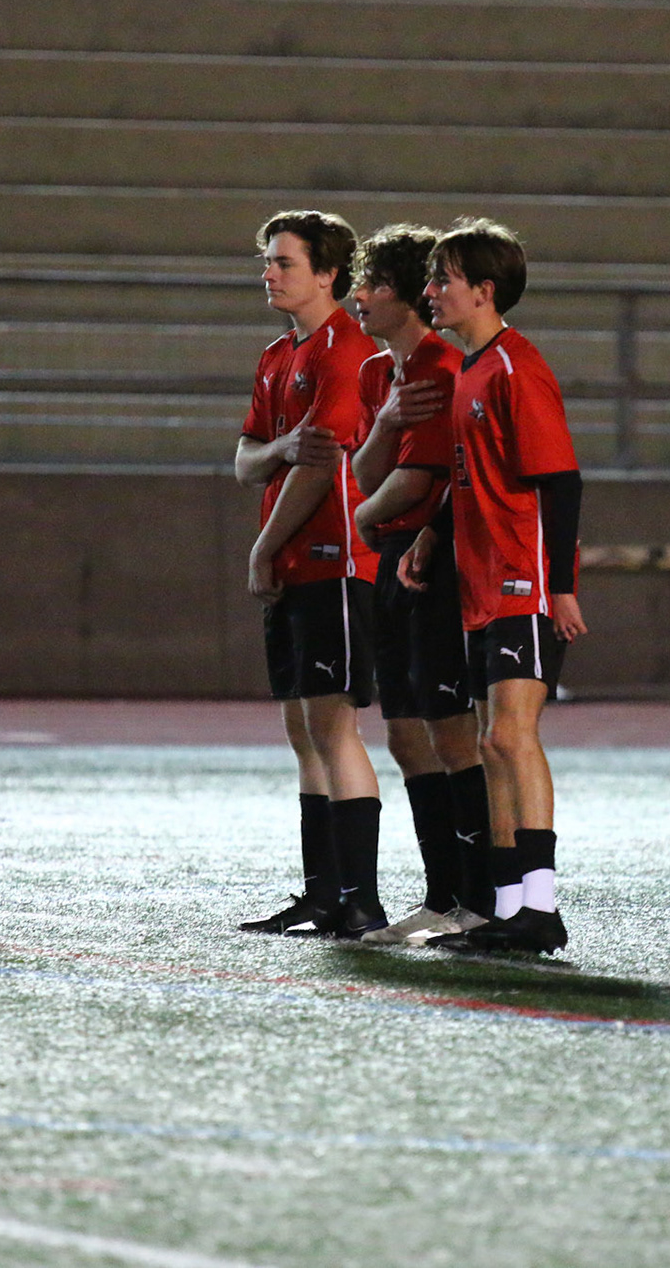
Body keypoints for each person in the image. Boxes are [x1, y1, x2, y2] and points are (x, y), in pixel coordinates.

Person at [401, 218, 588, 955]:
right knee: (490, 740)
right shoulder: (470, 370)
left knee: (511, 735)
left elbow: (561, 481)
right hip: (482, 584)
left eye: (443, 278)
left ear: (483, 291)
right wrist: (432, 534)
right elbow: (467, 476)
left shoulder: (516, 367)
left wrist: (559, 586)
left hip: (521, 581)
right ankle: (510, 909)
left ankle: (540, 908)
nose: (431, 291)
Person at [233, 210, 388, 939]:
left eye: (284, 262)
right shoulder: (276, 356)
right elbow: (247, 461)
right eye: (268, 261)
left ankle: (361, 900)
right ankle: (323, 895)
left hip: (337, 559)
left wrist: (263, 546)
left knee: (333, 727)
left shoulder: (346, 350)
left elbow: (318, 463)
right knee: (303, 729)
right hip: (296, 564)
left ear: (329, 274)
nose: (268, 273)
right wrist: (280, 448)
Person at [344, 223, 495, 946]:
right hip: (391, 560)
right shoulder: (380, 373)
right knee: (406, 736)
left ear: (406, 295)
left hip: (432, 561)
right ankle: (442, 897)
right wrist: (386, 426)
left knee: (452, 733)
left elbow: (418, 479)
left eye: (373, 283)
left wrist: (365, 516)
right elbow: (367, 468)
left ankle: (482, 899)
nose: (358, 295)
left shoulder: (442, 365)